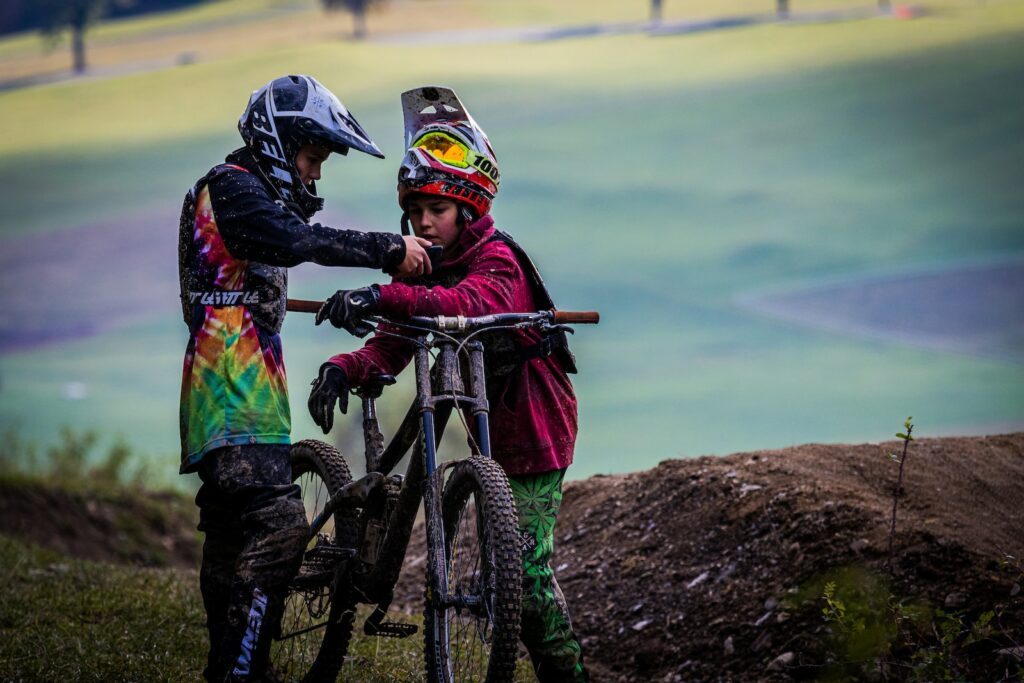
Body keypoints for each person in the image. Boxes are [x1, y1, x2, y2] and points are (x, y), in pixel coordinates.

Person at [308, 86, 590, 682]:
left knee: (530, 583)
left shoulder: (497, 262)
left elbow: (464, 303)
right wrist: (346, 366)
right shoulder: (432, 265)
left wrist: (382, 291)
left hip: (536, 435)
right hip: (488, 429)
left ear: (468, 208)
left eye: (435, 210)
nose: (423, 224)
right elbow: (395, 338)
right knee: (509, 572)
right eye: (413, 214)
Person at [177, 74, 432, 682]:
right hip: (231, 400)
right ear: (279, 141)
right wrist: (387, 250)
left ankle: (232, 667)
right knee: (281, 529)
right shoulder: (230, 188)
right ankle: (244, 670)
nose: (315, 175)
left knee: (232, 543)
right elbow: (296, 241)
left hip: (238, 401)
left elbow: (256, 276)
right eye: (313, 157)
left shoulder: (240, 201)